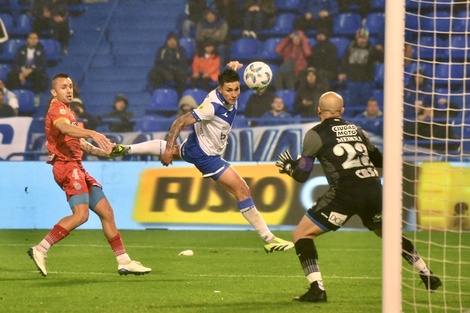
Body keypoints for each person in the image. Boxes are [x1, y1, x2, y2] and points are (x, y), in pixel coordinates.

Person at [109, 61, 294, 253]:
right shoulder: (211, 107)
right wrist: (167, 151)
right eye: (229, 90)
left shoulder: (224, 91)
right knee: (243, 190)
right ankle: (269, 238)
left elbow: (226, 79)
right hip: (207, 156)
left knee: (173, 150)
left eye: (237, 89)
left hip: (195, 144)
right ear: (221, 90)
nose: (234, 94)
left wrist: (231, 69)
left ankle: (125, 149)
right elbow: (178, 122)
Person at [275, 91, 442, 302]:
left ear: (319, 111)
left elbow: (302, 175)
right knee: (387, 234)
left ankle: (317, 289)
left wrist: (290, 167)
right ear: (342, 111)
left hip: (345, 193)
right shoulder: (358, 130)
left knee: (301, 234)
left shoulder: (315, 134)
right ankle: (426, 273)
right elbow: (379, 160)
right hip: (373, 188)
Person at [27, 73, 151, 277]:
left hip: (77, 166)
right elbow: (64, 128)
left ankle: (124, 261)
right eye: (64, 87)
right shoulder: (56, 109)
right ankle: (40, 249)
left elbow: (81, 144)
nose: (69, 90)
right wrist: (93, 133)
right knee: (81, 215)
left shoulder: (68, 111)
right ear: (54, 92)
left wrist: (108, 152)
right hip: (66, 166)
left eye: (70, 86)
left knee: (106, 212)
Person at [338, 28, 382, 107]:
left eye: (364, 38)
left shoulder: (372, 49)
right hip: (352, 79)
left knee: (366, 103)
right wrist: (343, 72)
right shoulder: (350, 48)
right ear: (357, 38)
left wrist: (379, 51)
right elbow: (345, 61)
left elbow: (381, 58)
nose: (362, 40)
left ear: (367, 38)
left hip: (367, 81)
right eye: (360, 38)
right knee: (352, 103)